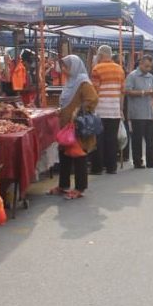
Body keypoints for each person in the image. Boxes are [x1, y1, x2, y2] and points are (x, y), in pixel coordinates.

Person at [54, 55, 97, 199]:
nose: (63, 69)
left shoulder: (83, 82)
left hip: (78, 127)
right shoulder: (70, 82)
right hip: (66, 126)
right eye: (63, 66)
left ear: (74, 66)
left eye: (66, 66)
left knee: (78, 156)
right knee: (64, 154)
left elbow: (92, 99)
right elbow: (66, 102)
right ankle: (63, 185)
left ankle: (80, 188)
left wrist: (78, 110)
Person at [90, 45, 125, 175]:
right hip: (114, 110)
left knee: (98, 139)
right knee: (112, 139)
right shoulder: (120, 69)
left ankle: (97, 168)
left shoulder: (97, 69)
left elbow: (94, 91)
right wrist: (120, 109)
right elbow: (122, 92)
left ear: (101, 55)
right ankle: (112, 167)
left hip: (100, 110)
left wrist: (91, 108)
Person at [125, 54, 153, 169]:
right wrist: (144, 92)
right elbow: (128, 91)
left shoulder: (150, 76)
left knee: (151, 139)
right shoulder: (132, 76)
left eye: (150, 67)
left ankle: (151, 161)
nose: (148, 69)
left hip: (150, 112)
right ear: (140, 63)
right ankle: (138, 161)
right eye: (146, 66)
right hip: (137, 112)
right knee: (137, 139)